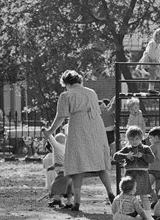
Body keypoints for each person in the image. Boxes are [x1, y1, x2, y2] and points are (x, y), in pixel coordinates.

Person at [42, 70, 115, 212]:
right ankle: (110, 192)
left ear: (66, 83)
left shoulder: (66, 95)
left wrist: (50, 132)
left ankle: (77, 202)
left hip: (79, 126)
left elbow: (61, 116)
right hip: (96, 127)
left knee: (77, 165)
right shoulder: (91, 92)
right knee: (100, 163)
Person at [113, 125, 155, 220]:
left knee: (144, 196)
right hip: (130, 175)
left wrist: (143, 156)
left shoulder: (146, 148)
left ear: (141, 138)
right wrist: (125, 156)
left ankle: (148, 217)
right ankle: (128, 214)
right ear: (128, 139)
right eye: (132, 139)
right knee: (130, 196)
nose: (134, 141)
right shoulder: (127, 149)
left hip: (142, 174)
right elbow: (115, 156)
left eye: (137, 139)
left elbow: (152, 159)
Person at [43, 131, 74, 209]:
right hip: (70, 173)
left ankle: (57, 200)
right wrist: (53, 166)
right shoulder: (67, 149)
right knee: (68, 189)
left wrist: (46, 131)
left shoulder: (57, 146)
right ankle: (69, 203)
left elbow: (51, 139)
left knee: (56, 185)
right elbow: (61, 161)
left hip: (63, 173)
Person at [148, 126, 160, 202]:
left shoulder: (153, 146)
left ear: (156, 137)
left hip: (154, 170)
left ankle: (154, 197)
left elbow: (149, 156)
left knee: (146, 185)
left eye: (151, 138)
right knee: (158, 188)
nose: (150, 140)